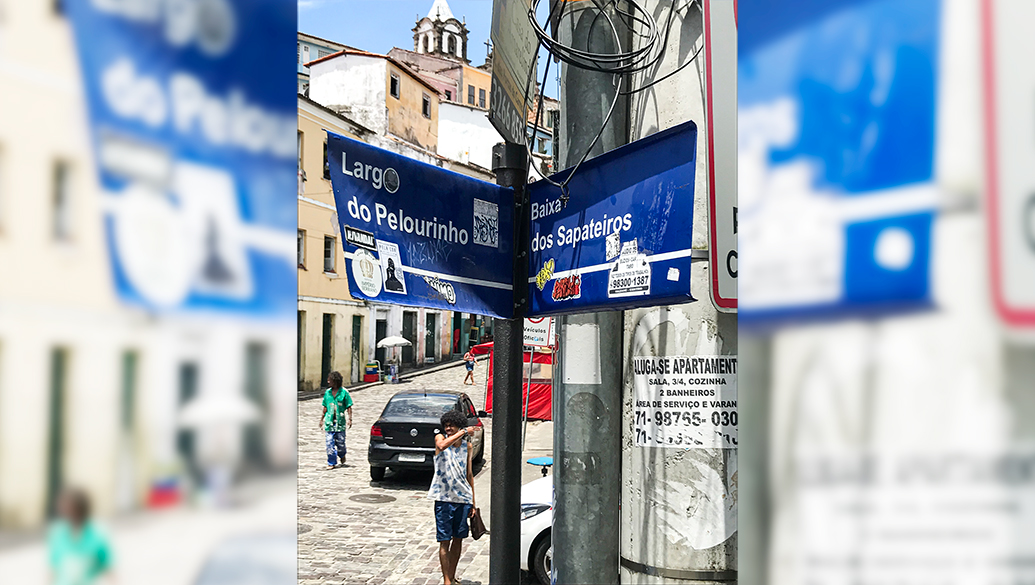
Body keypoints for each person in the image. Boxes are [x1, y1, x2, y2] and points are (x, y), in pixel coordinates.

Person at [428, 410, 477, 585]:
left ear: (458, 424)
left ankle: (453, 575)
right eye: (446, 425)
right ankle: (446, 580)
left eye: (452, 425)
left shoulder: (467, 447)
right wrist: (463, 431)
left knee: (458, 539)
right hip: (443, 498)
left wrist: (472, 502)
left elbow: (469, 474)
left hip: (462, 499)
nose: (448, 428)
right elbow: (442, 446)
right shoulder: (440, 439)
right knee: (444, 540)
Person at [48, 488, 113, 585]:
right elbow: (53, 569)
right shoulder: (58, 534)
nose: (64, 511)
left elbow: (109, 570)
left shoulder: (97, 536)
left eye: (69, 507)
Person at [321, 371, 353, 469]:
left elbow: (349, 406)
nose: (328, 381)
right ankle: (331, 462)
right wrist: (321, 419)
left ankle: (342, 455)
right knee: (329, 444)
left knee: (341, 444)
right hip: (329, 423)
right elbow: (325, 407)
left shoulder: (344, 393)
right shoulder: (328, 393)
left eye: (330, 380)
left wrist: (350, 419)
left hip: (340, 423)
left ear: (335, 381)